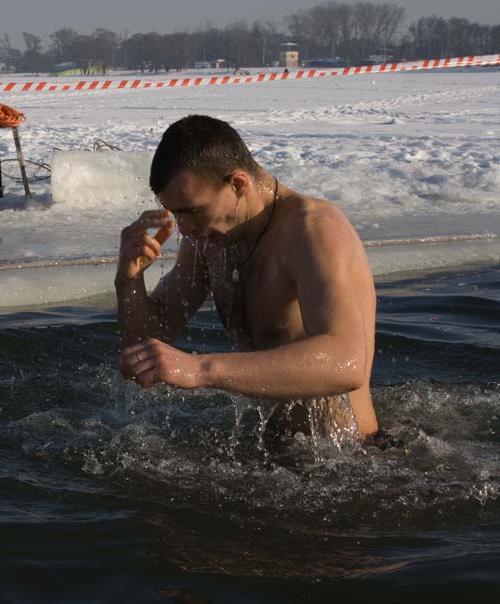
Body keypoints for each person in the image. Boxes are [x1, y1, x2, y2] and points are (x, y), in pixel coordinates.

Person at [116, 115, 378, 438]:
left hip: (352, 461)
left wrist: (202, 369)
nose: (183, 230)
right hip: (273, 451)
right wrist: (128, 280)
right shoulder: (208, 239)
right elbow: (146, 344)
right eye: (175, 214)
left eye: (192, 211)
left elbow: (348, 360)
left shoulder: (312, 231)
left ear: (238, 184)